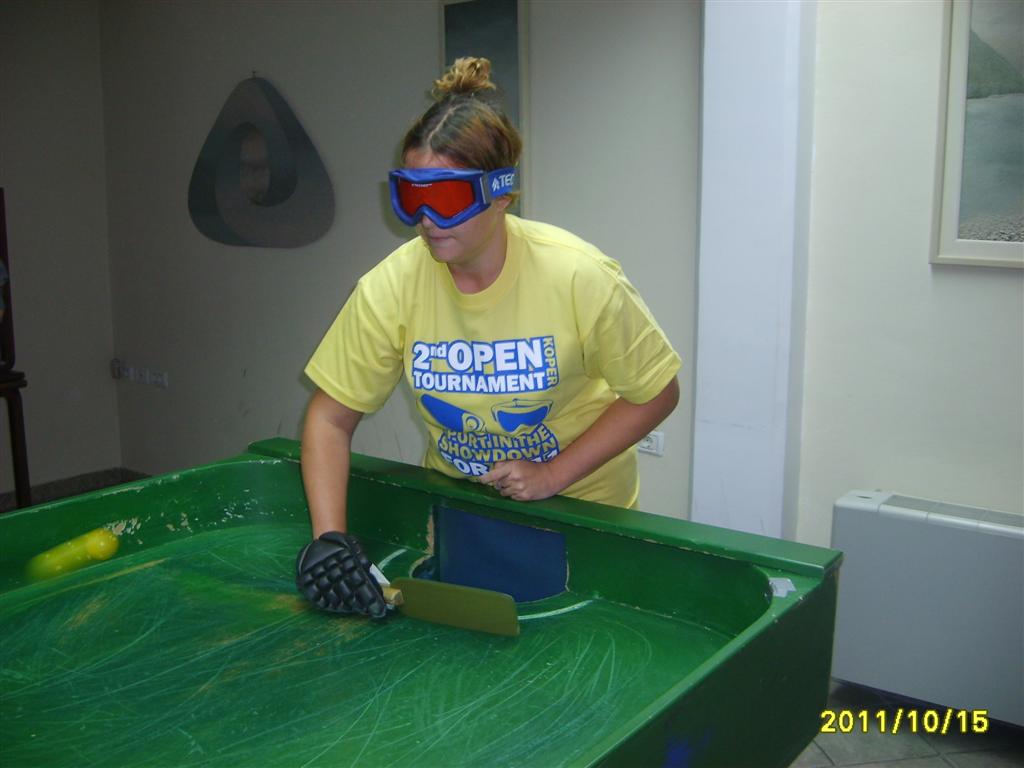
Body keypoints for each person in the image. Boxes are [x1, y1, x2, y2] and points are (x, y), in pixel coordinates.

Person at [295, 57, 681, 617]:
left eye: (448, 198)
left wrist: (553, 474)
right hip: (464, 510)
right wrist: (330, 539)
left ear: (500, 194)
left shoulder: (578, 276)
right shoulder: (391, 286)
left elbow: (657, 392)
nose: (428, 220)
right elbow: (330, 419)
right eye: (412, 197)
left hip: (583, 517)